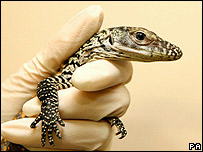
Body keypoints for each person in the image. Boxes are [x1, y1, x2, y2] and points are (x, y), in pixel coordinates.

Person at [1, 5, 133, 151]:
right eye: (140, 37)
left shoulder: (93, 73)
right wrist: (50, 115)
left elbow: (82, 113)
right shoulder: (67, 73)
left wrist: (107, 117)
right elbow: (46, 85)